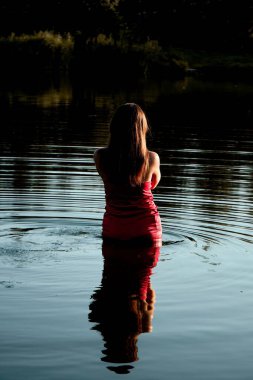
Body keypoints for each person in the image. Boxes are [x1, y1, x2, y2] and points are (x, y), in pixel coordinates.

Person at [94, 102, 162, 247]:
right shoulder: (152, 159)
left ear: (113, 127)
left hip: (115, 229)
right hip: (146, 229)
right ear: (142, 129)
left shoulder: (100, 157)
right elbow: (153, 185)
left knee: (112, 270)